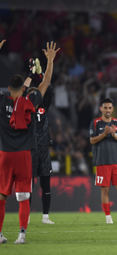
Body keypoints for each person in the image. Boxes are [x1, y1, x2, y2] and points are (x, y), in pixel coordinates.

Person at [0, 40, 59, 244]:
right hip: (25, 154)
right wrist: (50, 61)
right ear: (24, 90)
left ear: (8, 88)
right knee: (23, 196)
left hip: (5, 154)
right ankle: (22, 235)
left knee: (1, 196)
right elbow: (46, 83)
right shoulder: (30, 102)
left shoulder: (2, 101)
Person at [88, 98, 117, 224]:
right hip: (102, 161)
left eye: (110, 108)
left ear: (112, 109)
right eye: (105, 108)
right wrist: (104, 134)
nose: (108, 110)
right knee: (105, 190)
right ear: (101, 109)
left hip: (116, 161)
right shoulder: (96, 123)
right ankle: (108, 217)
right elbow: (92, 140)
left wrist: (114, 135)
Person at [23, 58, 55, 224]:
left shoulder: (44, 106)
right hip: (30, 150)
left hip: (44, 150)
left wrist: (41, 73)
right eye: (31, 93)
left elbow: (49, 89)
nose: (34, 95)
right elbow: (22, 92)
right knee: (29, 185)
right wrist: (30, 73)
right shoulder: (24, 107)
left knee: (46, 184)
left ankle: (45, 216)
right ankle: (26, 216)